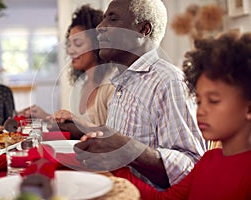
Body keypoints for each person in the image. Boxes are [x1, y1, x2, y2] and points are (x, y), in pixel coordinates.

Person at [72, 0, 206, 191]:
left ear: (143, 30)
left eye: (113, 19)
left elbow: (192, 166)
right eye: (103, 19)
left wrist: (129, 149)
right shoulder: (122, 80)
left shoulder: (168, 80)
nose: (100, 28)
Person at [148, 30, 251, 199]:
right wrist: (119, 162)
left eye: (213, 101)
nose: (201, 111)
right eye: (198, 101)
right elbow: (164, 198)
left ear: (250, 109)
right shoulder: (208, 160)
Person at [20, 5, 116, 139]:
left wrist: (75, 119)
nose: (70, 51)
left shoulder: (112, 85)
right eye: (69, 45)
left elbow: (116, 136)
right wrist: (48, 117)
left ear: (97, 44)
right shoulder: (82, 85)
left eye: (77, 44)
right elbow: (79, 129)